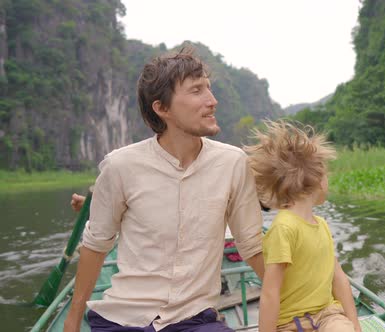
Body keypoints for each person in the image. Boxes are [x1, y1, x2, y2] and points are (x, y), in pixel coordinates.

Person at [64, 47, 264, 332]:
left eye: (209, 88)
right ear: (162, 108)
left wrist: (295, 300)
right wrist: (72, 321)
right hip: (124, 318)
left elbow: (252, 245)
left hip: (194, 319)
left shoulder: (232, 163)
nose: (212, 101)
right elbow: (96, 246)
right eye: (197, 91)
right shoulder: (120, 166)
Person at [244, 121, 362, 332]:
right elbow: (270, 293)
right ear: (316, 178)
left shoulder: (322, 225)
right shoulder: (284, 228)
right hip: (290, 323)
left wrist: (355, 324)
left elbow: (339, 278)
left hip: (327, 316)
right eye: (326, 173)